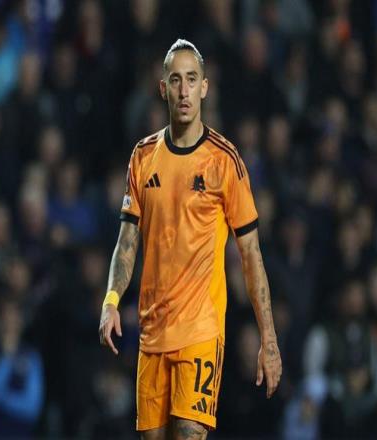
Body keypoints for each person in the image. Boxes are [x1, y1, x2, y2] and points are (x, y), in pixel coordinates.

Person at [98, 39, 282, 439]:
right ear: (163, 88)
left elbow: (250, 254)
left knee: (188, 433)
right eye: (176, 80)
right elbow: (126, 241)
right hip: (152, 330)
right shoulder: (143, 157)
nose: (184, 91)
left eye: (192, 79)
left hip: (201, 329)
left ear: (205, 88)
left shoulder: (224, 161)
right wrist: (111, 300)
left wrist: (268, 337)